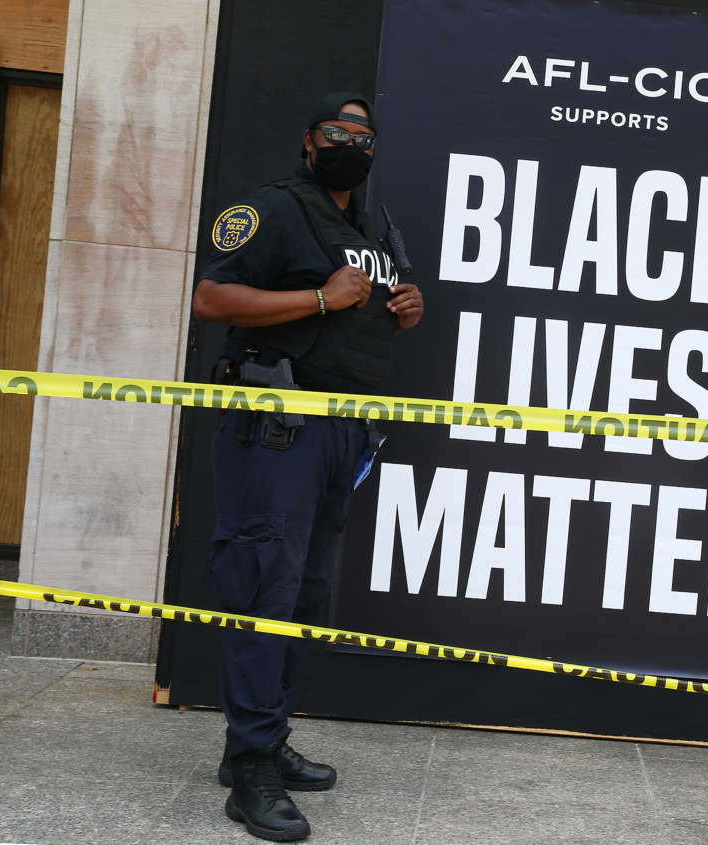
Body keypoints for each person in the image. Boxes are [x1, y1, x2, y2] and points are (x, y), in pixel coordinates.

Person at [192, 91, 423, 842]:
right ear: (308, 140)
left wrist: (404, 303)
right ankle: (249, 763)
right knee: (264, 583)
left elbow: (373, 300)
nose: (349, 143)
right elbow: (210, 296)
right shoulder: (274, 208)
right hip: (277, 426)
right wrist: (319, 299)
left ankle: (267, 738)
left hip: (341, 430)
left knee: (303, 594)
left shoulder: (373, 225)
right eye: (336, 132)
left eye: (362, 135)